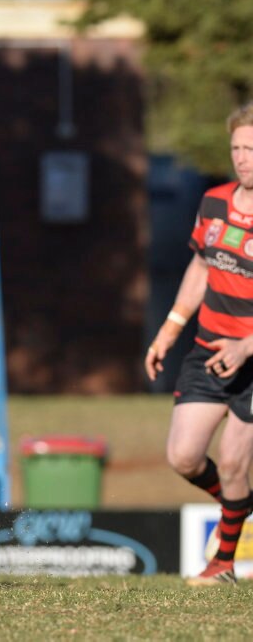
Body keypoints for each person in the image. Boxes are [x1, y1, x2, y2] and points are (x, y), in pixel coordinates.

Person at [145, 102, 253, 586]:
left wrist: (246, 346)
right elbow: (201, 268)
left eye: (251, 148)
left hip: (250, 358)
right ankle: (240, 505)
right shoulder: (213, 201)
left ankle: (223, 564)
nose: (243, 158)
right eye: (236, 148)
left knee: (233, 460)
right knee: (184, 457)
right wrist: (170, 329)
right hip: (209, 350)